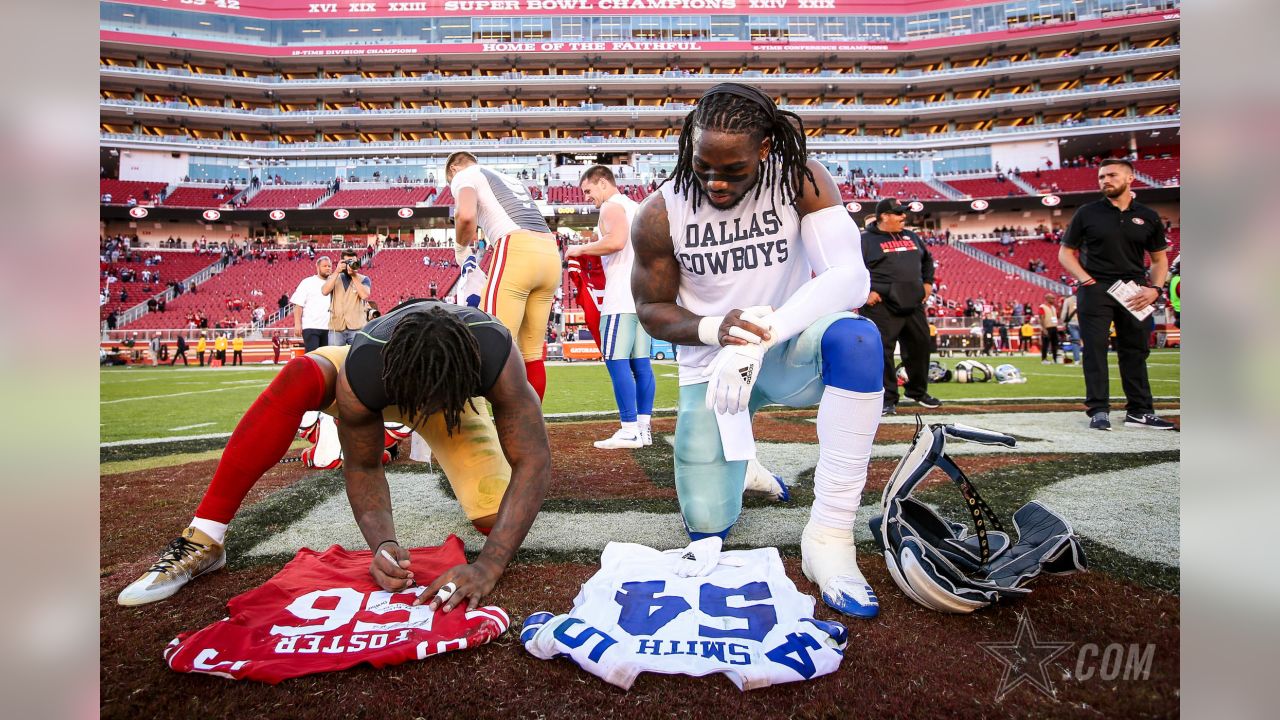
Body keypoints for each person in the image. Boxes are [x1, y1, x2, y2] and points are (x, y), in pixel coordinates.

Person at [631, 83, 883, 618]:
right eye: (703, 167)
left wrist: (766, 332)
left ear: (766, 148)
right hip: (714, 374)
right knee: (706, 528)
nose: (715, 182)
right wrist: (718, 330)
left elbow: (851, 279)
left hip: (790, 350)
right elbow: (653, 310)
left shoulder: (800, 178)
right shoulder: (659, 211)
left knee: (858, 338)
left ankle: (831, 536)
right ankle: (744, 468)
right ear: (688, 146)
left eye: (734, 170)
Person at [117, 300, 552, 610]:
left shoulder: (495, 355)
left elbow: (533, 460)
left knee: (499, 521)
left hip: (458, 406)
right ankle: (204, 536)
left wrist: (491, 564)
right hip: (382, 380)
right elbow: (361, 465)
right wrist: (382, 545)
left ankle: (408, 426)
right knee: (301, 376)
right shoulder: (365, 368)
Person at [1059, 158, 1174, 430]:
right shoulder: (1087, 213)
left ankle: (1140, 410)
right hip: (1095, 289)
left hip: (1134, 290)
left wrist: (1155, 289)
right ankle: (1099, 409)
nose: (1105, 181)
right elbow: (1065, 253)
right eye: (1101, 177)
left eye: (1111, 175)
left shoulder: (1148, 216)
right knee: (1095, 351)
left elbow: (1159, 261)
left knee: (1135, 350)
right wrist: (1086, 281)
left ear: (1130, 178)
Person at [447, 151, 561, 400]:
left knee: (491, 344)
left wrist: (460, 247)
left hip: (517, 248)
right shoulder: (511, 179)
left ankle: (494, 429)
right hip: (551, 253)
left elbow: (465, 216)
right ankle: (530, 428)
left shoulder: (463, 174)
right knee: (532, 353)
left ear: (454, 169)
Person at [569, 165, 655, 449]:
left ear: (603, 183)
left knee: (616, 362)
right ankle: (643, 429)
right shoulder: (638, 206)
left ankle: (629, 428)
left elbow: (616, 241)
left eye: (588, 190)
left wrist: (580, 249)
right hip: (641, 297)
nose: (587, 197)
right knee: (641, 366)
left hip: (620, 298)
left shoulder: (611, 206)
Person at [859, 198, 941, 415]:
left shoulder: (911, 236)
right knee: (882, 353)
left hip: (913, 302)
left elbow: (927, 261)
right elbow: (853, 268)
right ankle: (887, 398)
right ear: (884, 216)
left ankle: (917, 391)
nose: (903, 216)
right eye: (898, 213)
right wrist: (865, 292)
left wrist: (927, 283)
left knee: (920, 346)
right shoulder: (864, 240)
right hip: (882, 304)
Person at [322, 249, 371, 346]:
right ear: (342, 262)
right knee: (335, 358)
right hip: (337, 327)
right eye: (348, 262)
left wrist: (354, 276)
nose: (351, 264)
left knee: (357, 358)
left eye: (353, 262)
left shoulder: (364, 279)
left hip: (357, 327)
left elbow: (364, 295)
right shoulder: (334, 277)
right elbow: (324, 291)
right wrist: (336, 271)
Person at [291, 256, 333, 352]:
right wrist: (297, 324)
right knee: (312, 357)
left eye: (329, 266)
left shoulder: (333, 283)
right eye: (325, 266)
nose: (328, 268)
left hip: (329, 328)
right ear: (317, 267)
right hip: (311, 326)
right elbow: (298, 304)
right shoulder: (307, 282)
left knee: (326, 359)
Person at [1038, 293, 1060, 364]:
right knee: (1045, 345)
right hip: (1047, 328)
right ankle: (1044, 359)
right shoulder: (1042, 307)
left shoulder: (1053, 307)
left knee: (1055, 344)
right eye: (1052, 298)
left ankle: (1055, 359)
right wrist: (1044, 329)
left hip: (1054, 327)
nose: (1054, 299)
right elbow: (1041, 318)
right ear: (1047, 299)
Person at [1060, 292, 1081, 364]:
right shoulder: (1085, 297)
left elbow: (1064, 312)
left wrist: (1062, 323)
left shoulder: (1068, 300)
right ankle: (1089, 360)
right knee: (1087, 342)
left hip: (1072, 323)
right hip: (1083, 322)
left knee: (1075, 342)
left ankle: (1077, 360)